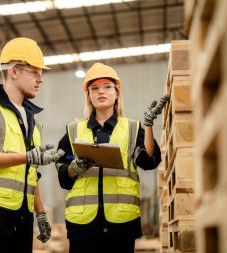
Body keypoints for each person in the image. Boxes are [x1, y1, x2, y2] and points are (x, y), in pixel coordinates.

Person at [0, 37, 65, 253]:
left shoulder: (33, 121)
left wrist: (41, 212)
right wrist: (28, 157)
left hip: (21, 216)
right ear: (14, 71)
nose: (40, 79)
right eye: (35, 72)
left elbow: (30, 174)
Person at [55, 62, 168, 253]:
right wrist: (75, 168)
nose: (101, 91)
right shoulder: (73, 131)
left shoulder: (133, 129)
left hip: (121, 223)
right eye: (95, 88)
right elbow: (63, 173)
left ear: (117, 93)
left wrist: (148, 125)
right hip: (83, 225)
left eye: (107, 86)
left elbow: (149, 161)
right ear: (89, 96)